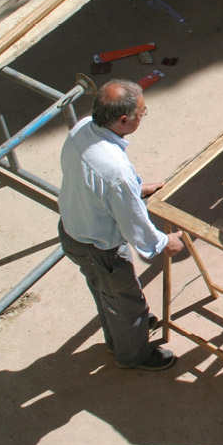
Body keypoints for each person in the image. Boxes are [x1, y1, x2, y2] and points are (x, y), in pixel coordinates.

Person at [58, 79, 186, 371]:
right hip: (99, 246)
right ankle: (133, 355)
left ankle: (119, 338)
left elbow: (92, 180)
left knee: (106, 292)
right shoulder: (115, 172)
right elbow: (134, 224)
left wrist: (135, 189)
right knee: (128, 304)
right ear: (124, 120)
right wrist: (164, 242)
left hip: (73, 230)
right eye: (142, 112)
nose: (143, 116)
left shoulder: (83, 128)